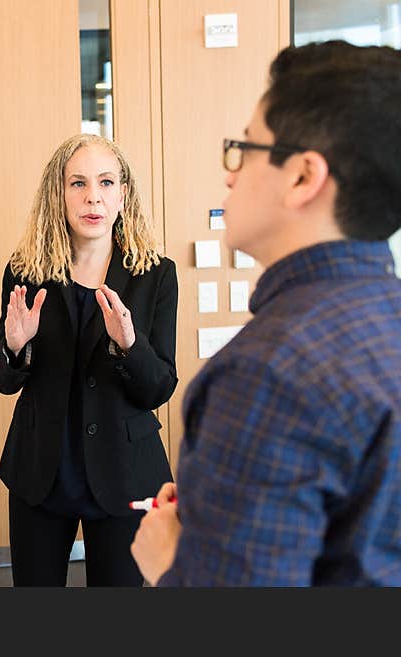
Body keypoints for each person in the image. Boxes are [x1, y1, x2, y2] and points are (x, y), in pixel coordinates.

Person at [130, 40, 401, 586]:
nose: (230, 175)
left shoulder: (268, 373)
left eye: (245, 148)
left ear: (303, 176)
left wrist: (169, 564)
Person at [0, 133, 178, 586]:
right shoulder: (25, 271)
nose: (93, 196)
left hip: (126, 471)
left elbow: (159, 387)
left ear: (122, 194)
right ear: (59, 193)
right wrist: (13, 347)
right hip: (41, 469)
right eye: (78, 183)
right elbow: (2, 378)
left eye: (107, 182)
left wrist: (131, 345)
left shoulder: (155, 275)